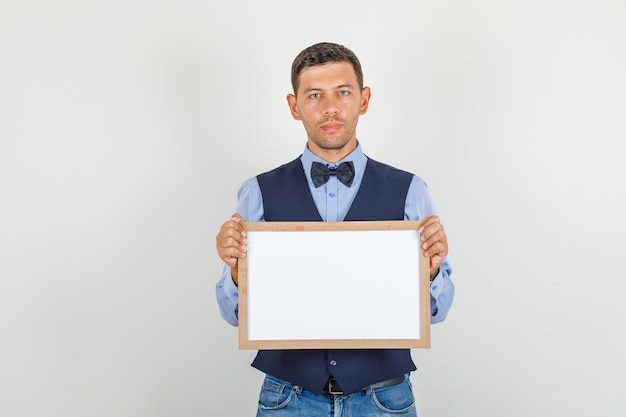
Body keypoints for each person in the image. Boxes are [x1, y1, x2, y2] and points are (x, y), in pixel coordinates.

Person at [215, 42, 454, 417]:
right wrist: (235, 269)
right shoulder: (257, 192)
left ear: (364, 99)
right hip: (288, 398)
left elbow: (437, 312)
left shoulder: (411, 190)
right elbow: (234, 315)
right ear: (295, 106)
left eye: (343, 92)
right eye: (314, 95)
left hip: (384, 399)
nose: (330, 108)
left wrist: (433, 271)